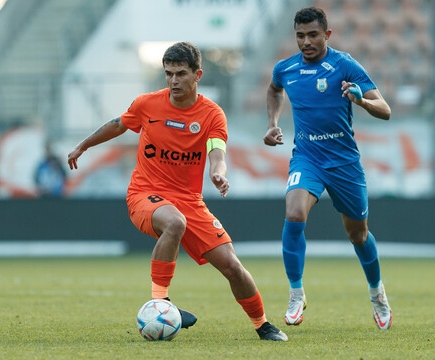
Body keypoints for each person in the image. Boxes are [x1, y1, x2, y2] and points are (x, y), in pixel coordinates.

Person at [68, 42, 287, 341]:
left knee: (232, 266)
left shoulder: (211, 114)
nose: (173, 81)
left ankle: (263, 325)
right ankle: (161, 302)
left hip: (190, 201)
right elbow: (118, 125)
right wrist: (83, 145)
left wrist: (218, 174)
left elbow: (217, 152)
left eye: (180, 74)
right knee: (174, 222)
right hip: (145, 194)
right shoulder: (148, 104)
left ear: (198, 75)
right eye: (168, 74)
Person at [264, 7, 393, 330]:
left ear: (327, 35)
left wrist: (361, 101)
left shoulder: (344, 64)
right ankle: (296, 292)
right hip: (307, 157)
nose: (305, 42)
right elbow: (274, 89)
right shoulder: (286, 68)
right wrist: (272, 124)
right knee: (294, 213)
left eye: (312, 35)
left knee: (358, 234)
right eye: (299, 36)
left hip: (344, 162)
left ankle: (377, 292)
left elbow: (385, 109)